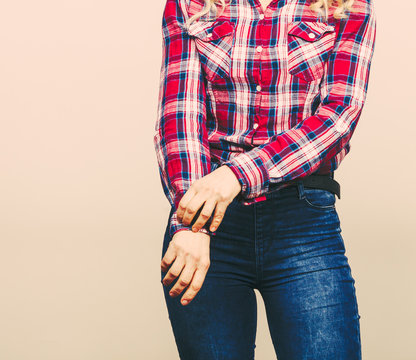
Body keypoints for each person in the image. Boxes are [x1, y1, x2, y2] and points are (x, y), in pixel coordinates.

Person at [153, 0, 376, 358]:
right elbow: (178, 116)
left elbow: (339, 115)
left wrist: (236, 175)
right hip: (208, 224)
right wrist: (190, 225)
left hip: (302, 224)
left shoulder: (346, 5)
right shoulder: (190, 4)